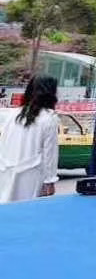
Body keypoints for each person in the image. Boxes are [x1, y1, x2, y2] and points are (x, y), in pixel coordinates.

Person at [0, 75, 60, 203]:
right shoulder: (49, 118)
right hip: (31, 174)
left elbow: (3, 142)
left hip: (6, 170)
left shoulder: (13, 114)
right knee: (27, 209)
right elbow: (50, 153)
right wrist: (49, 181)